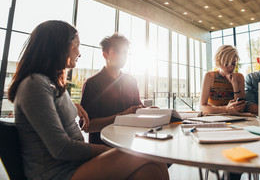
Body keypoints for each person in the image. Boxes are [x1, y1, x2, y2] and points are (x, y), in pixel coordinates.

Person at [8, 20, 169, 180]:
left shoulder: (51, 85)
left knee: (150, 171)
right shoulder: (34, 84)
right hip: (59, 172)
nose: (79, 53)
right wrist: (109, 150)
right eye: (76, 46)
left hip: (76, 164)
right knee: (149, 155)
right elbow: (61, 148)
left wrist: (71, 106)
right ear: (58, 46)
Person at [80, 33, 145, 144]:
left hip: (129, 144)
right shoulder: (93, 83)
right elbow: (88, 126)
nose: (122, 56)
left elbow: (137, 110)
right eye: (117, 51)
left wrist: (149, 111)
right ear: (105, 55)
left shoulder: (132, 81)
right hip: (103, 147)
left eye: (125, 52)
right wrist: (122, 116)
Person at [200, 45, 246, 115]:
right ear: (218, 62)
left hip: (234, 118)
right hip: (213, 118)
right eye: (226, 64)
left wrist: (235, 85)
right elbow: (202, 107)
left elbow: (240, 108)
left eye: (233, 64)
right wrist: (226, 108)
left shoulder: (239, 77)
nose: (231, 67)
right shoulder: (209, 77)